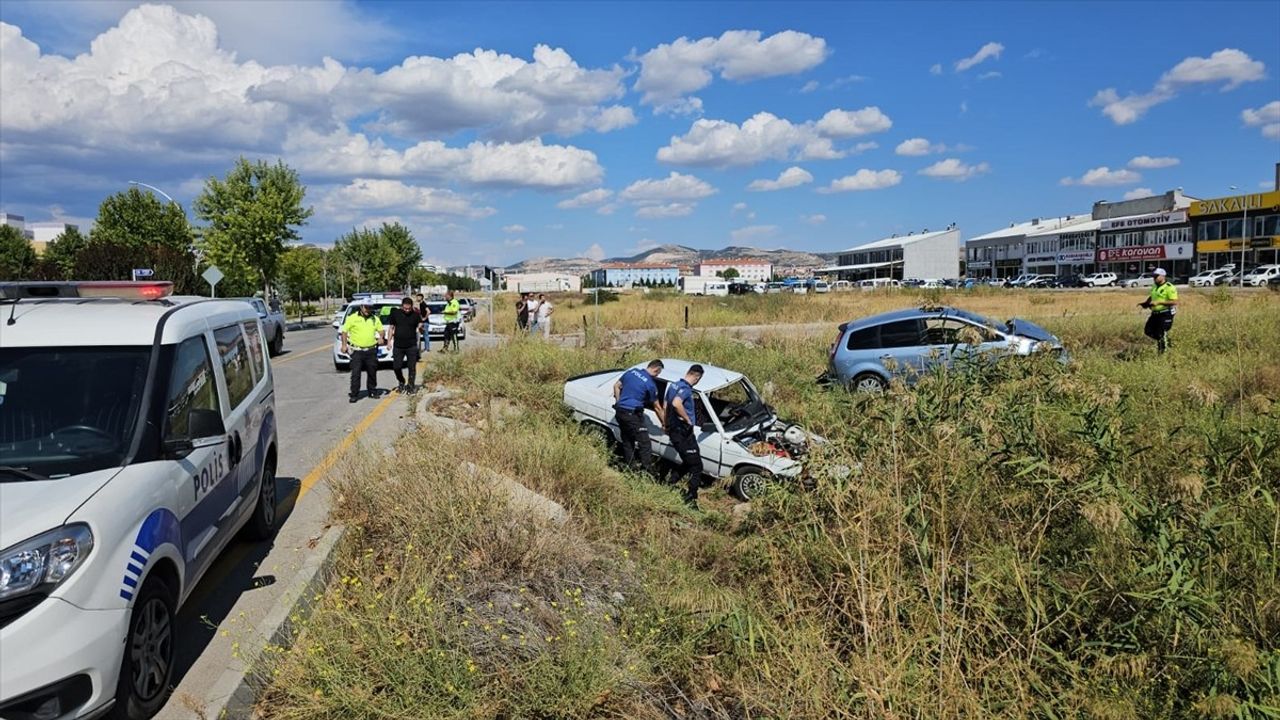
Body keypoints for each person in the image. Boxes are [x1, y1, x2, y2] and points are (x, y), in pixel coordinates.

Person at [613, 359, 665, 476]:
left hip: (620, 412)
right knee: (645, 443)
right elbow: (657, 407)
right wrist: (664, 424)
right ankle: (647, 471)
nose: (657, 376)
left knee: (627, 440)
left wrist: (619, 403)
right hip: (632, 414)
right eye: (658, 373)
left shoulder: (632, 372)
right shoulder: (650, 384)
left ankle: (630, 468)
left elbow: (616, 386)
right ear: (656, 369)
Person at [664, 364, 705, 509]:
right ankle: (691, 498)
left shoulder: (674, 385)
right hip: (683, 432)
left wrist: (665, 424)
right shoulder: (686, 390)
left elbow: (666, 404)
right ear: (697, 377)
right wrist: (687, 419)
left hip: (676, 430)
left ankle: (670, 483)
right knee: (697, 467)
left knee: (689, 461)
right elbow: (676, 404)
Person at [340, 302, 384, 403]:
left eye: (369, 308)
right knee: (356, 373)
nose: (367, 310)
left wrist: (381, 337)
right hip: (357, 350)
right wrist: (344, 345)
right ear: (361, 307)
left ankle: (372, 391)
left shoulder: (374, 318)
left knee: (372, 371)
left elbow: (381, 330)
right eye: (366, 307)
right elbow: (344, 331)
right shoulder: (352, 318)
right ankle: (355, 394)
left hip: (371, 350)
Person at [387, 297, 423, 393]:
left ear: (411, 307)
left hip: (411, 345)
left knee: (412, 367)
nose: (407, 310)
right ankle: (401, 381)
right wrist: (388, 341)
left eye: (409, 309)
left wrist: (420, 327)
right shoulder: (395, 314)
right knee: (396, 367)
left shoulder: (415, 315)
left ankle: (411, 386)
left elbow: (420, 325)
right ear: (402, 306)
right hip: (398, 346)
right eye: (405, 308)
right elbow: (391, 328)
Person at [1139, 267, 1178, 354]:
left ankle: (1163, 353)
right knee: (1148, 331)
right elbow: (1152, 296)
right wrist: (1146, 303)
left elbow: (1174, 302)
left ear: (1163, 276)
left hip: (1165, 314)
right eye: (1153, 276)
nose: (1154, 278)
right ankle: (1166, 341)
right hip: (1155, 313)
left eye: (1156, 276)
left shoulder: (1169, 287)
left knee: (1161, 333)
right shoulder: (1154, 286)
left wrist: (1159, 302)